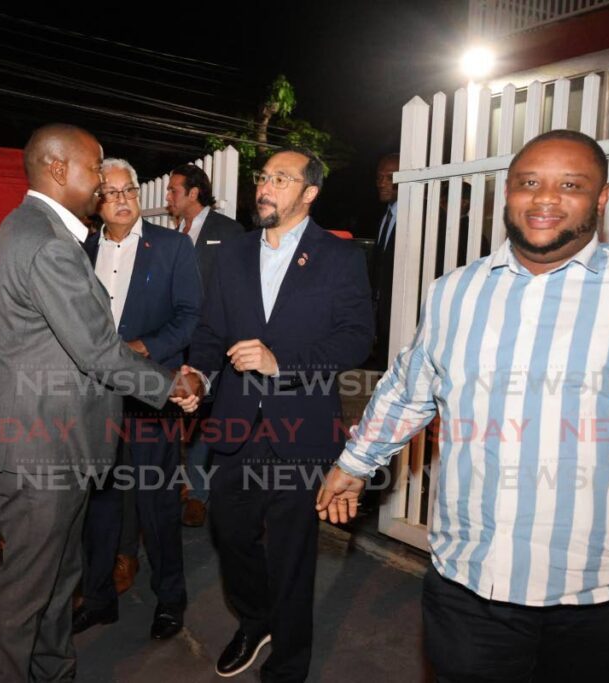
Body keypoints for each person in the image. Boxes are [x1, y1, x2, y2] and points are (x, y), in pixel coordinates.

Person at [318, 129, 609, 682]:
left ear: (601, 199)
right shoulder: (455, 292)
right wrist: (354, 465)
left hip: (603, 590)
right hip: (470, 582)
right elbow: (410, 388)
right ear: (507, 193)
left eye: (570, 185)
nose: (546, 198)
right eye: (529, 182)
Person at [0, 123, 201, 682]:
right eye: (95, 168)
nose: (101, 182)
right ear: (59, 169)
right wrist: (172, 387)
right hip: (39, 449)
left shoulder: (33, 226)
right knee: (26, 595)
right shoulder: (47, 242)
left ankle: (54, 673)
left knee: (57, 581)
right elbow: (98, 350)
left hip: (50, 441)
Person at [187, 148, 373, 680]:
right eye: (263, 177)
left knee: (293, 554)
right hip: (236, 422)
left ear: (309, 193)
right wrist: (199, 377)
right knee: (229, 531)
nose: (264, 187)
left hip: (302, 426)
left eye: (281, 179)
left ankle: (288, 665)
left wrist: (281, 365)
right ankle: (255, 619)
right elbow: (209, 333)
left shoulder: (339, 257)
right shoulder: (233, 254)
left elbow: (357, 338)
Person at [77, 158, 202, 639]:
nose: (123, 198)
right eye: (111, 192)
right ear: (97, 203)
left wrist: (141, 350)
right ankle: (99, 598)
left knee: (159, 505)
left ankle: (170, 600)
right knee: (100, 505)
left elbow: (191, 316)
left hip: (151, 395)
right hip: (95, 398)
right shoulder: (81, 252)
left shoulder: (171, 247)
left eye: (128, 189)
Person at [165, 163, 246, 528]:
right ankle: (181, 487)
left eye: (174, 190)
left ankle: (199, 494)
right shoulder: (172, 233)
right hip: (175, 341)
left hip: (213, 342)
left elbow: (239, 287)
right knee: (179, 414)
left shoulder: (227, 231)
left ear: (194, 193)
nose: (168, 197)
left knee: (206, 416)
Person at [369, 152, 399, 369]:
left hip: (402, 314)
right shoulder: (386, 216)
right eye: (379, 177)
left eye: (389, 177)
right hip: (382, 315)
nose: (381, 183)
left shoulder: (421, 217)